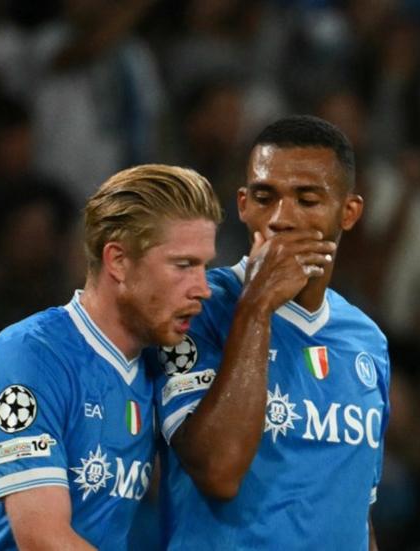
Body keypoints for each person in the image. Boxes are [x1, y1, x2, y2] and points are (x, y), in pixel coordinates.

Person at [153, 115, 390, 550]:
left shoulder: (367, 339)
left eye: (307, 199)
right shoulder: (197, 308)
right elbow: (218, 470)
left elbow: (357, 511)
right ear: (243, 204)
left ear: (349, 211)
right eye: (265, 197)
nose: (281, 218)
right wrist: (257, 306)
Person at [0, 164, 222, 550]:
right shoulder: (29, 356)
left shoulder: (156, 366)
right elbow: (41, 539)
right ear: (117, 261)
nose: (203, 288)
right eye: (183, 265)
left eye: (205, 266)